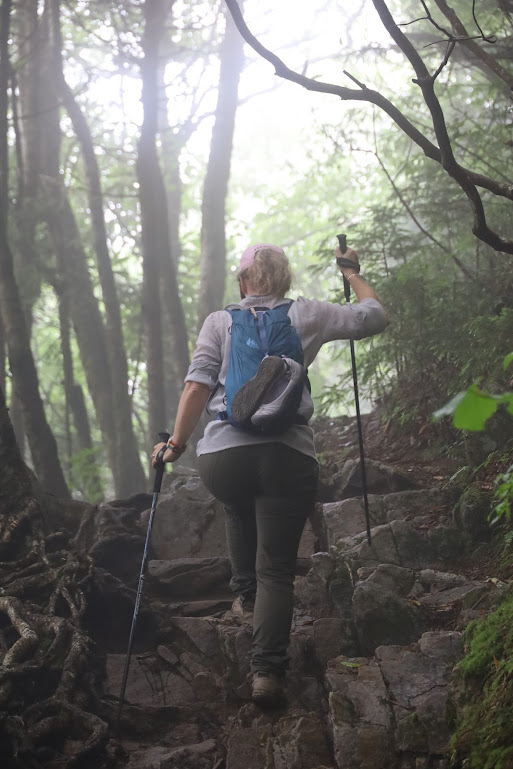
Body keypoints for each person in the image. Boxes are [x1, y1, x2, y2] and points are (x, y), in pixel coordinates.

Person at [151, 242, 388, 707]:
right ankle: (267, 675)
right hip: (287, 454)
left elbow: (197, 384)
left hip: (223, 456)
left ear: (243, 283)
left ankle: (244, 598)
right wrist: (352, 272)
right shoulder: (310, 314)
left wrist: (174, 446)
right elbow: (373, 317)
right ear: (285, 279)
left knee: (238, 502)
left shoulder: (220, 322)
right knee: (276, 570)